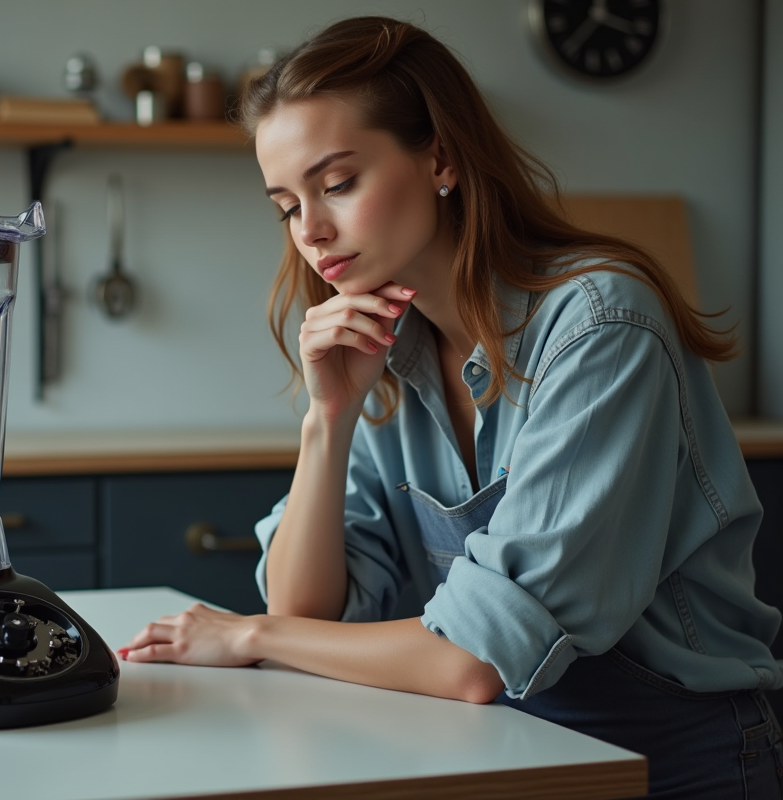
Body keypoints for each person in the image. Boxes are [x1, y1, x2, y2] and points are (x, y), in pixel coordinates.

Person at [118, 15, 783, 799]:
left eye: (337, 183)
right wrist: (327, 421)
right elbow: (309, 607)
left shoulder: (600, 327)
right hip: (508, 747)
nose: (312, 230)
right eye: (287, 206)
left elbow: (471, 661)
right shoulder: (388, 350)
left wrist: (248, 637)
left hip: (674, 761)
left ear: (440, 156)